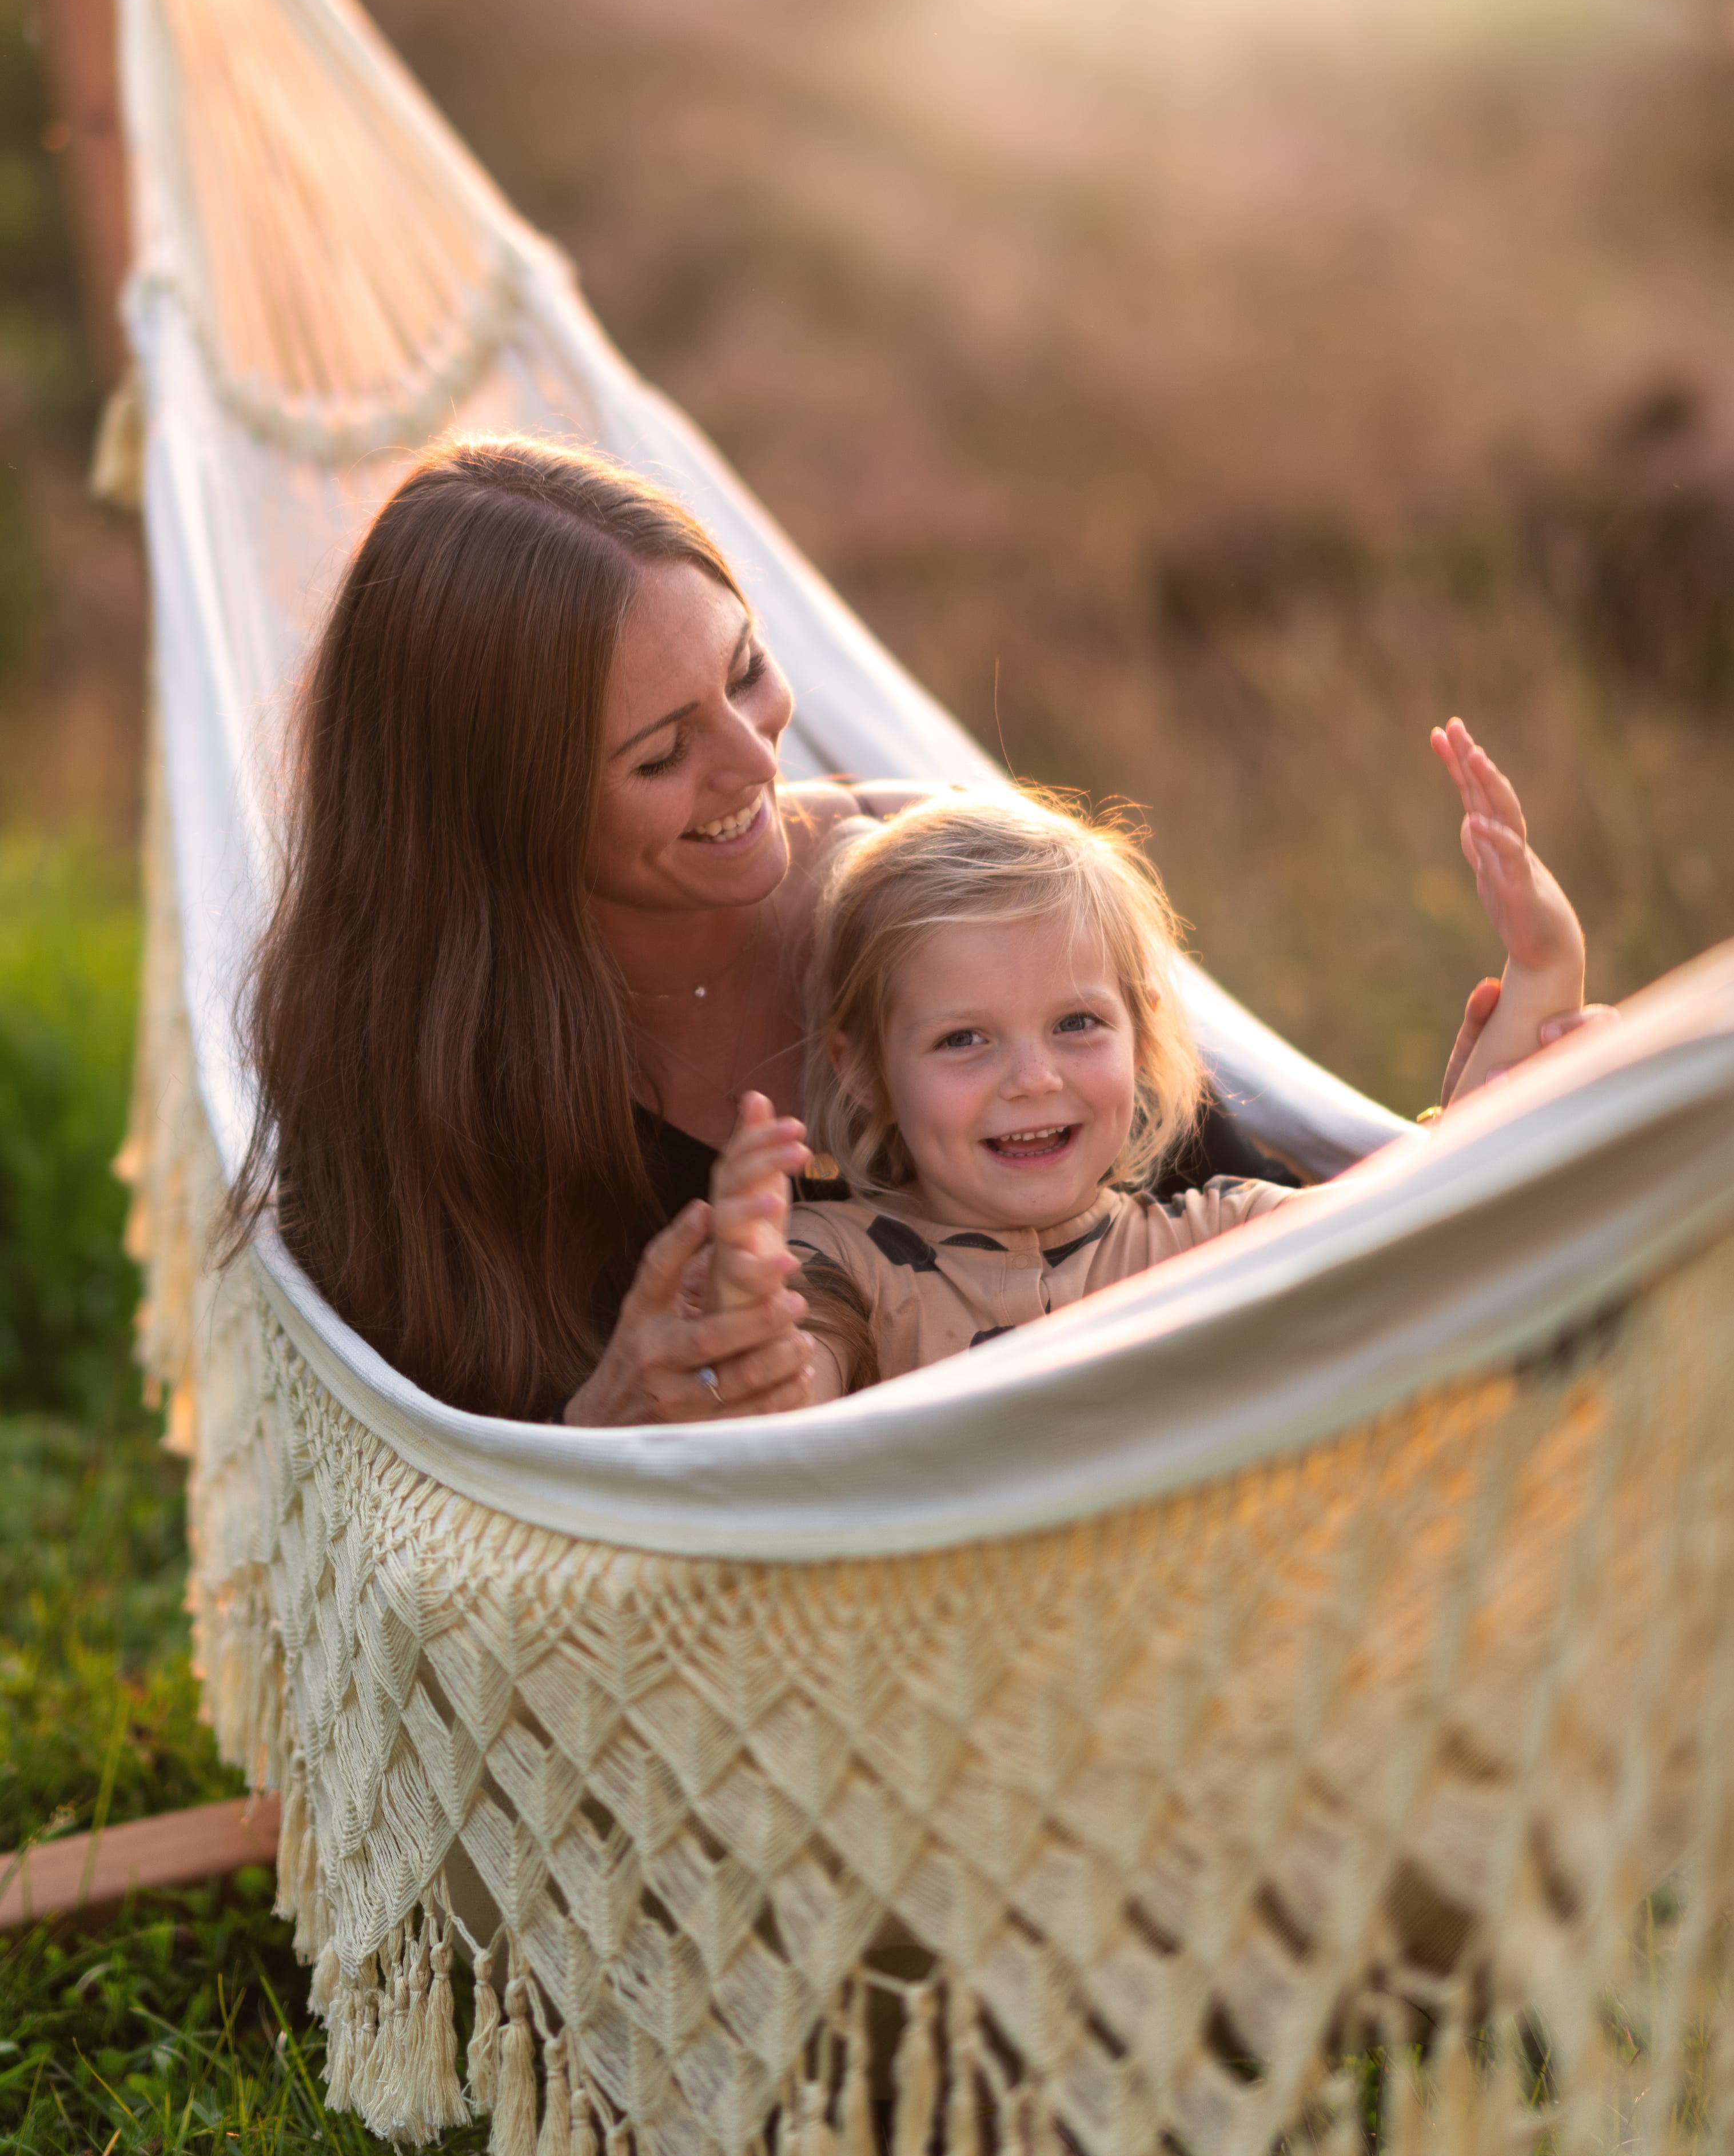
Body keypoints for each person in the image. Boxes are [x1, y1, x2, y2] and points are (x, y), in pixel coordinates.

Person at [226, 432, 1600, 1426]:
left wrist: (1459, 1154)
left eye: (746, 673)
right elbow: (438, 1526)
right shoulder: (420, 1080)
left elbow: (1220, 1219)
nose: (755, 763)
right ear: (502, 816)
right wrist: (608, 1426)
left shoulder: (937, 889)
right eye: (660, 754)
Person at [703, 748, 1589, 1398]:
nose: (1032, 1078)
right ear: (863, 1073)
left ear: (1140, 1034)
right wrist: (748, 1309)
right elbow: (772, 1417)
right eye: (964, 1039)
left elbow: (1427, 1222)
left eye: (1076, 1024)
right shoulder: (841, 1262)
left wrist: (1543, 965)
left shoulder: (1203, 1240)